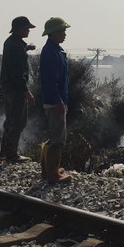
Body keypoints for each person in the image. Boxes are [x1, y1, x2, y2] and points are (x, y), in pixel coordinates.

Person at [0, 16, 36, 163]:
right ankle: (11, 155)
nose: (28, 31)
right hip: (16, 89)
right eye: (27, 28)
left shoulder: (11, 43)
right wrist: (26, 92)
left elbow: (16, 56)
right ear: (20, 29)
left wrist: (27, 48)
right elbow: (17, 72)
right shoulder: (16, 46)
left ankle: (4, 153)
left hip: (8, 88)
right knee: (18, 122)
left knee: (10, 120)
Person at [39, 17, 72, 183]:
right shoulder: (51, 52)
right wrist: (59, 101)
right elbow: (51, 80)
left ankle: (49, 171)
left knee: (54, 137)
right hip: (54, 101)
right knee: (58, 139)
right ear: (53, 33)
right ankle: (53, 175)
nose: (65, 34)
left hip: (56, 100)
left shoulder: (55, 50)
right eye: (62, 31)